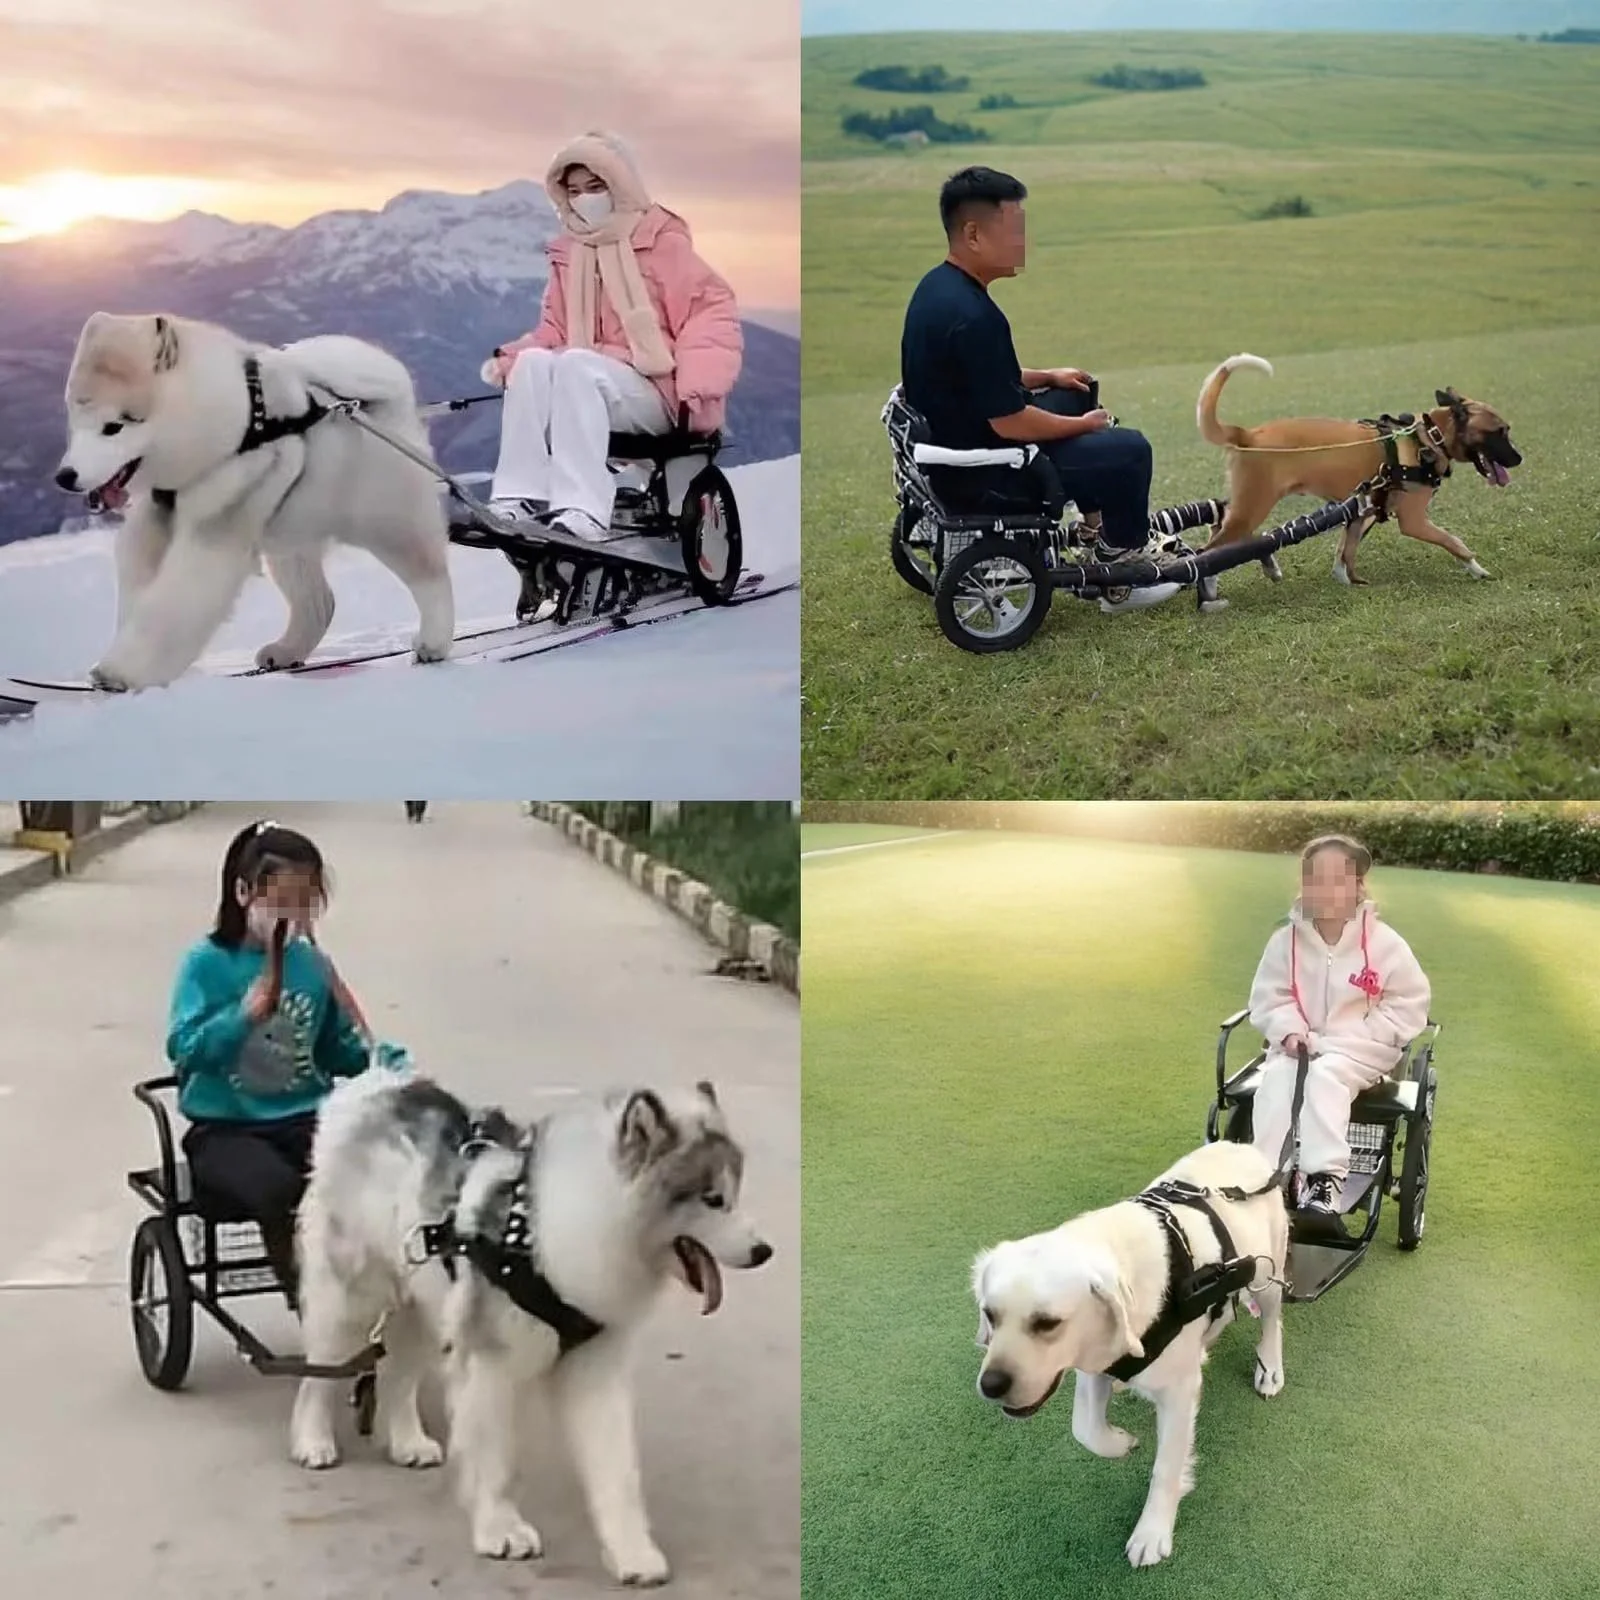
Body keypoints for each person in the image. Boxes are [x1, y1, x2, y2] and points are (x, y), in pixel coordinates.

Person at [481, 131, 743, 616]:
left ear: (619, 184)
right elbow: (553, 331)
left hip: (657, 390)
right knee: (539, 363)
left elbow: (711, 310)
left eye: (593, 185)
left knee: (576, 364)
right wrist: (513, 359)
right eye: (574, 191)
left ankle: (583, 511)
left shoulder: (661, 242)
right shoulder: (570, 252)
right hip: (596, 387)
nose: (583, 199)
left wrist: (701, 379)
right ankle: (516, 497)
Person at [899, 165, 1181, 615]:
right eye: (1013, 230)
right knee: (1130, 450)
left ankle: (1094, 527)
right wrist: (1082, 425)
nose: (1023, 243)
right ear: (973, 234)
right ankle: (1121, 566)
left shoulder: (938, 289)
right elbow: (1011, 421)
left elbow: (978, 375)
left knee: (1076, 390)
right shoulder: (975, 317)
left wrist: (1049, 376)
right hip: (989, 473)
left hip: (955, 440)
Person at [166, 820, 378, 1309]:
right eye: (282, 903)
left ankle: (363, 1301)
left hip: (305, 1116)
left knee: (364, 1174)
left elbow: (334, 1050)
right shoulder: (205, 963)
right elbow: (183, 1048)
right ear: (244, 893)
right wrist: (241, 1018)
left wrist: (376, 1060)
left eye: (305, 905)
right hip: (226, 1129)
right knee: (281, 1190)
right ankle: (314, 1308)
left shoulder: (310, 964)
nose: (293, 917)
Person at [1247, 835, 1431, 1216]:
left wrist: (1358, 1035)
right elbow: (1270, 996)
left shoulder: (1386, 945)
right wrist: (1290, 1030)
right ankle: (1270, 1179)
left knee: (1326, 1076)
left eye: (1337, 879)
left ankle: (1324, 1181)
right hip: (1299, 1046)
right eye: (1315, 878)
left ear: (1357, 886)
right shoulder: (1285, 942)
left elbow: (1409, 1003)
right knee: (1275, 1083)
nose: (1325, 889)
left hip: (1361, 1050)